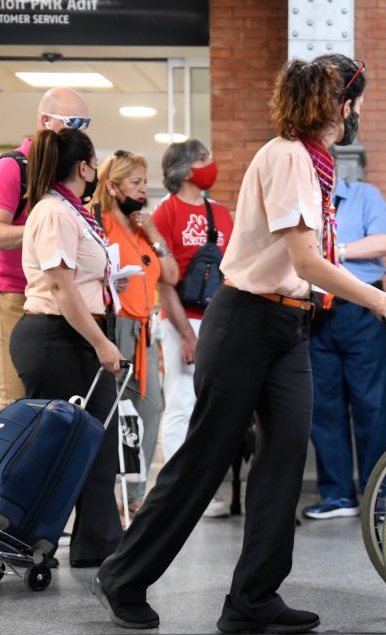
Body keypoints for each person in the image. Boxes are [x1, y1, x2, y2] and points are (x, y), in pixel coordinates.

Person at [92, 54, 386, 632]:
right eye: (356, 102)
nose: (359, 113)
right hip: (245, 319)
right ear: (339, 106)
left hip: (288, 326)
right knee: (206, 454)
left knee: (285, 454)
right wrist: (383, 302)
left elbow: (306, 267)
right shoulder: (289, 158)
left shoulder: (313, 162)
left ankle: (252, 596)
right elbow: (306, 259)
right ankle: (123, 575)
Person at [9, 128, 124, 568]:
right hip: (58, 337)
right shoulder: (55, 213)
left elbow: (75, 281)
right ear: (84, 167)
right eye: (96, 162)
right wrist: (101, 343)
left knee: (95, 443)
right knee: (55, 445)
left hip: (73, 334)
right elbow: (59, 286)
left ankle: (98, 543)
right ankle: (23, 537)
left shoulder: (73, 213)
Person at [0, 87, 90, 418]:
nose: (81, 130)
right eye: (73, 121)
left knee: (46, 408)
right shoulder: (10, 169)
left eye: (86, 122)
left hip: (46, 300)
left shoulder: (58, 174)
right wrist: (45, 230)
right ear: (45, 120)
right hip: (8, 295)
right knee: (16, 406)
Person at [302, 175, 386, 520]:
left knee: (371, 405)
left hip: (362, 311)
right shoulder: (303, 201)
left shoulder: (363, 194)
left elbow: (383, 241)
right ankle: (337, 495)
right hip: (316, 312)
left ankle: (379, 495)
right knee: (324, 407)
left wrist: (333, 252)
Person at [92, 150, 179, 516]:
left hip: (146, 332)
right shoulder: (101, 222)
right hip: (116, 328)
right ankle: (106, 496)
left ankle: (136, 491)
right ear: (112, 186)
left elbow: (172, 275)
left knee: (150, 410)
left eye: (145, 182)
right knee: (113, 416)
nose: (143, 190)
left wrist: (155, 234)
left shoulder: (143, 230)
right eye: (136, 182)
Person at [152, 139, 235, 519]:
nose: (211, 165)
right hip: (180, 321)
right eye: (204, 159)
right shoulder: (163, 215)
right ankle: (178, 493)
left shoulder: (220, 213)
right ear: (186, 170)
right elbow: (164, 281)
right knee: (181, 402)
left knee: (212, 407)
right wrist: (187, 335)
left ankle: (201, 490)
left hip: (220, 321)